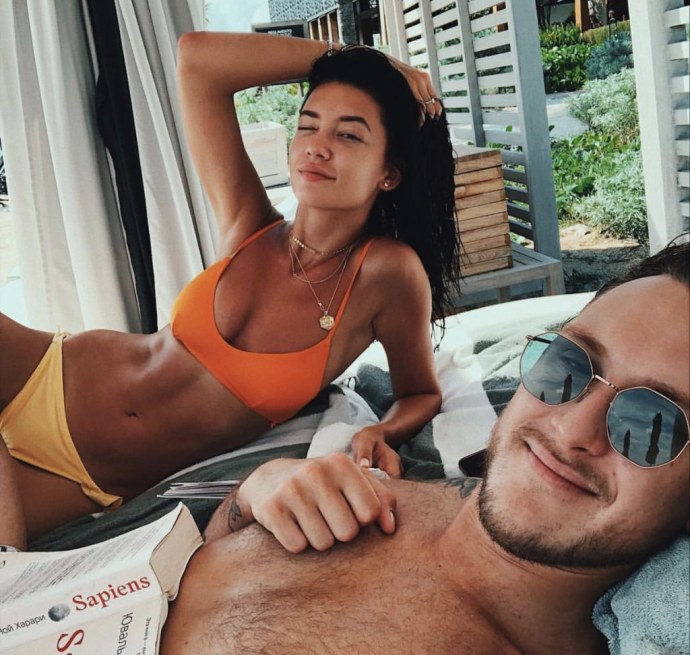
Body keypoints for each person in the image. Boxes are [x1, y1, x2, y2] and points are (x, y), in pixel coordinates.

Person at [0, 33, 461, 540]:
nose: (316, 146)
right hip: (41, 373)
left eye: (348, 135)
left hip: (89, 481)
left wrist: (381, 430)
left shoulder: (387, 273)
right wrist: (360, 60)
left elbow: (420, 392)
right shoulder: (251, 225)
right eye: (307, 125)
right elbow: (197, 61)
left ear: (389, 173)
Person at [159, 243, 689, 654]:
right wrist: (251, 497)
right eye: (569, 365)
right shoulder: (384, 486)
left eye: (652, 424)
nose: (572, 429)